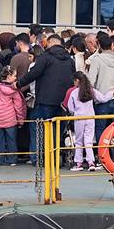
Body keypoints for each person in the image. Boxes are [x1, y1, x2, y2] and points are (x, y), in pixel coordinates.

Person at [17, 34, 74, 166]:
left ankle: (42, 159)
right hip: (63, 102)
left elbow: (34, 73)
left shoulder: (45, 57)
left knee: (41, 130)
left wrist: (19, 84)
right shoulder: (69, 60)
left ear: (50, 43)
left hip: (45, 99)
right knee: (58, 131)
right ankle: (55, 159)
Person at [87, 32, 114, 137]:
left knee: (100, 128)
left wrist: (96, 94)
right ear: (111, 45)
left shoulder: (97, 60)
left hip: (102, 99)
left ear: (99, 45)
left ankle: (102, 148)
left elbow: (90, 81)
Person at [0, 67, 27, 165]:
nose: (16, 78)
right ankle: (12, 160)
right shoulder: (14, 91)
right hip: (11, 119)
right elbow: (18, 106)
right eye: (14, 75)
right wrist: (20, 120)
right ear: (9, 76)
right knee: (11, 140)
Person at [65, 71, 99, 171]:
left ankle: (78, 163)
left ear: (77, 80)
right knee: (89, 141)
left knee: (79, 141)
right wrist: (112, 93)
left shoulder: (74, 92)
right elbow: (102, 98)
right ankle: (91, 162)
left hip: (79, 118)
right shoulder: (91, 90)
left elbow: (70, 108)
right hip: (90, 117)